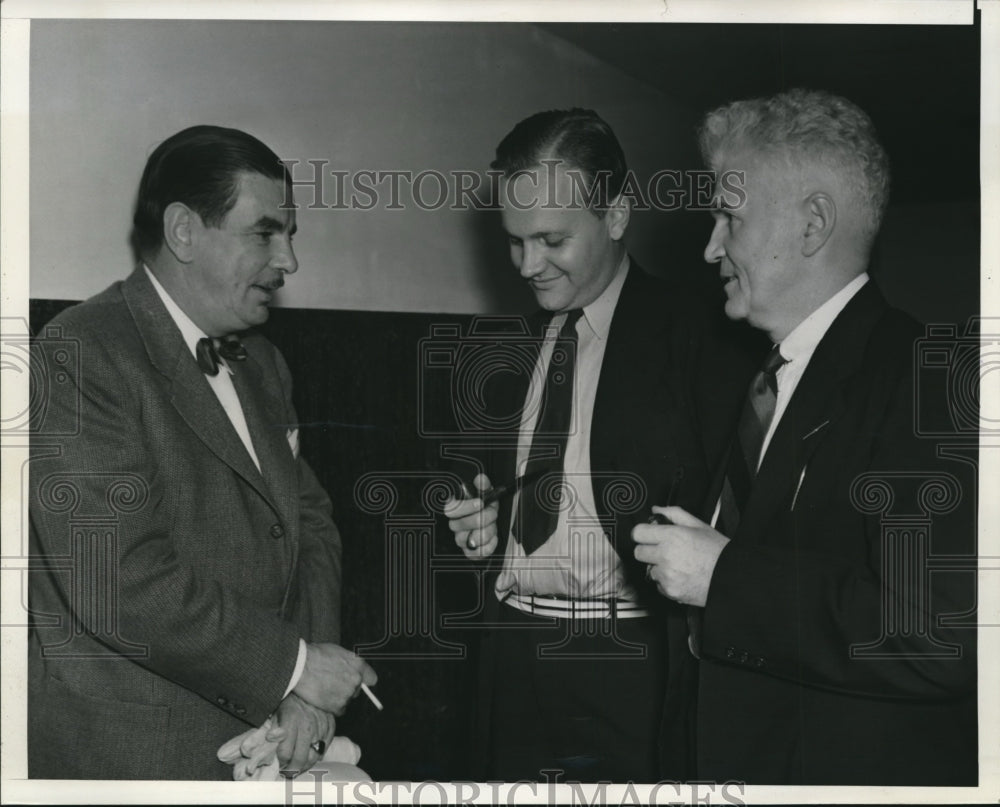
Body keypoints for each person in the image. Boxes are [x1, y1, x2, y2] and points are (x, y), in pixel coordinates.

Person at [633, 89, 977, 785]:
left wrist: (723, 577)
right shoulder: (759, 374)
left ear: (812, 223)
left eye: (729, 216)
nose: (709, 247)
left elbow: (934, 637)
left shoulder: (928, 378)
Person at [28, 125, 376, 780]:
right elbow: (118, 579)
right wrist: (295, 667)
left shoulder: (264, 364)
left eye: (292, 233)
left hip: (267, 741)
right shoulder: (79, 354)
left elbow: (312, 527)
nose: (290, 260)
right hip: (135, 758)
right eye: (266, 232)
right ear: (184, 231)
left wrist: (306, 683)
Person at [443, 108, 735, 782]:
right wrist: (482, 525)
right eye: (514, 242)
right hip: (511, 648)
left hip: (630, 657)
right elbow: (492, 493)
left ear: (617, 214)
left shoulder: (701, 334)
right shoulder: (503, 345)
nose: (527, 265)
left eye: (551, 239)